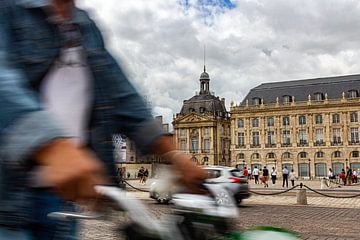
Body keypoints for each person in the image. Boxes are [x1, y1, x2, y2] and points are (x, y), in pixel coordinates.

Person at [0, 1, 207, 239]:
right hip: (8, 200)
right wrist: (52, 147)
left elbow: (123, 98)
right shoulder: (9, 7)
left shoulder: (84, 26)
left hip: (64, 199)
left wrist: (176, 157)